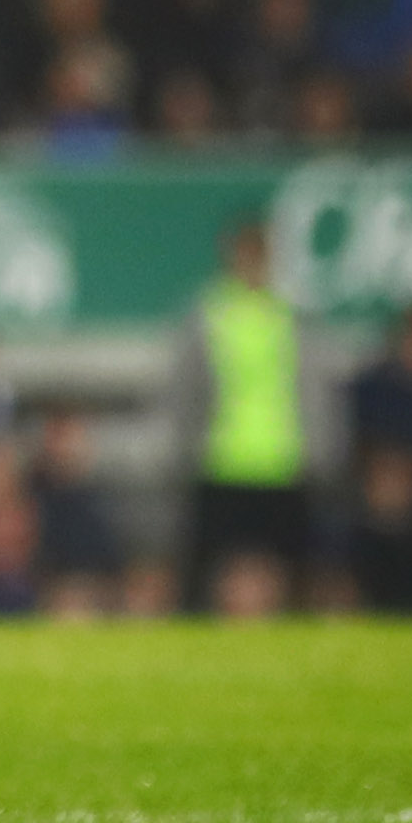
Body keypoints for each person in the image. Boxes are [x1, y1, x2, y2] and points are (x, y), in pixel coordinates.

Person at [169, 220, 316, 616]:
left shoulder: (289, 314)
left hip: (281, 457)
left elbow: (311, 388)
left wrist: (316, 449)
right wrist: (186, 450)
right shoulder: (211, 311)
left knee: (286, 566)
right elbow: (187, 389)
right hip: (223, 457)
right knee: (214, 564)